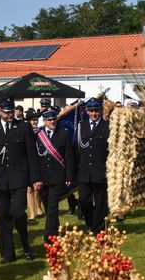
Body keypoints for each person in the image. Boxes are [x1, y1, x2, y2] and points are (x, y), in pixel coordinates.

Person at [0, 97, 42, 264]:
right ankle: (8, 253)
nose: (9, 114)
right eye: (6, 112)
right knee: (2, 217)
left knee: (17, 212)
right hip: (1, 179)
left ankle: (25, 244)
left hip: (20, 178)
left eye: (11, 111)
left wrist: (35, 178)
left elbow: (32, 154)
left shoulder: (23, 127)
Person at [36, 110, 75, 242]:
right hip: (42, 177)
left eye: (54, 119)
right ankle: (56, 230)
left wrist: (69, 176)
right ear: (44, 121)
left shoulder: (63, 133)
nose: (52, 122)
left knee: (53, 207)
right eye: (49, 120)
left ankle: (48, 236)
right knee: (48, 209)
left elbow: (69, 156)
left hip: (57, 176)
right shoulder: (37, 134)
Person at [76, 99, 109, 234]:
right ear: (87, 111)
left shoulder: (108, 126)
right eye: (91, 111)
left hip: (101, 170)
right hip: (84, 170)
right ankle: (90, 223)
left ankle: (98, 229)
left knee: (101, 203)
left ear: (101, 110)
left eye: (96, 110)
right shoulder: (80, 126)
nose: (94, 114)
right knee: (84, 200)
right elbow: (75, 149)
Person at [25, 108, 44, 220]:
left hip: (38, 162)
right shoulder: (24, 131)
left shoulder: (40, 132)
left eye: (36, 119)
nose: (35, 122)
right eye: (32, 119)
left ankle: (38, 207)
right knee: (29, 189)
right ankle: (32, 213)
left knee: (37, 188)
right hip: (27, 163)